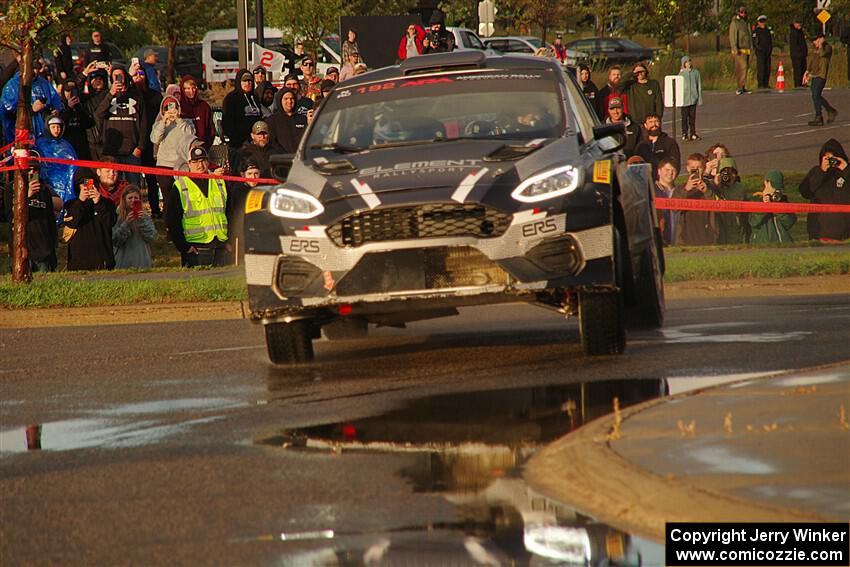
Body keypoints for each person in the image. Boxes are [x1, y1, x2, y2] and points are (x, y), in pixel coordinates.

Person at [165, 145, 230, 267]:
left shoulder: (220, 182)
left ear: (208, 162)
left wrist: (230, 240)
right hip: (196, 247)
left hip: (220, 244)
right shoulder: (181, 186)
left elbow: (230, 212)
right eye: (195, 162)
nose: (200, 165)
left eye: (203, 160)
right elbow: (172, 220)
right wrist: (183, 247)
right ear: (189, 164)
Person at [3, 151, 62, 272]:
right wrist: (26, 196)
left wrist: (52, 248)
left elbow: (49, 218)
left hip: (43, 250)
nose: (31, 173)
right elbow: (11, 216)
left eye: (35, 170)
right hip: (22, 248)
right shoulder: (11, 188)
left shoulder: (44, 189)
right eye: (28, 169)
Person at [96, 66, 148, 186]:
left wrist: (140, 147)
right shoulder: (106, 95)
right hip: (111, 152)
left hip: (132, 152)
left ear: (125, 76)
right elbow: (98, 115)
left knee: (133, 186)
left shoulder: (136, 97)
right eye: (115, 75)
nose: (118, 78)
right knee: (111, 186)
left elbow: (144, 124)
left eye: (120, 75)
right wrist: (111, 94)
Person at [1, 58, 64, 145]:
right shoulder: (13, 86)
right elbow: (7, 113)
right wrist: (31, 110)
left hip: (44, 136)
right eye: (32, 68)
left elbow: (55, 101)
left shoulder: (44, 83)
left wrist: (54, 111)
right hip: (22, 137)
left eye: (37, 68)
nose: (35, 71)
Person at [150, 94, 197, 210]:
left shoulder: (186, 122)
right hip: (164, 165)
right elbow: (155, 139)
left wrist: (179, 120)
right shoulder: (158, 124)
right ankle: (168, 225)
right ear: (163, 110)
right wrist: (163, 122)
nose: (170, 110)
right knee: (168, 198)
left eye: (173, 107)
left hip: (182, 165)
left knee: (183, 196)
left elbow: (190, 135)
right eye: (167, 107)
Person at [799, 138, 849, 242]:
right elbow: (805, 192)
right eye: (827, 158)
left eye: (834, 158)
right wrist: (821, 172)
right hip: (818, 233)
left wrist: (846, 169)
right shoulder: (816, 172)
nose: (831, 161)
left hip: (843, 234)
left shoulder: (847, 173)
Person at [64, 172, 117, 271]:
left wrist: (98, 203)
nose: (87, 187)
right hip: (78, 263)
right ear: (77, 187)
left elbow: (111, 222)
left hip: (103, 260)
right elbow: (71, 223)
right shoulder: (71, 204)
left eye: (89, 184)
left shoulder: (107, 203)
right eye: (83, 184)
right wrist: (80, 202)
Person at [130, 62, 163, 216]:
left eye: (141, 75)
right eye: (136, 75)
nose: (139, 78)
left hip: (151, 143)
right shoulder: (130, 95)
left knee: (152, 180)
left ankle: (155, 210)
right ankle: (134, 211)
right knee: (133, 182)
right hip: (133, 144)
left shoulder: (155, 96)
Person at [221, 68, 262, 172]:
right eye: (244, 81)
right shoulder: (231, 99)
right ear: (239, 82)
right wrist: (238, 141)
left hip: (255, 145)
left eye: (250, 81)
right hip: (237, 147)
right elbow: (227, 123)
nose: (248, 83)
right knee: (238, 173)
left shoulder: (255, 97)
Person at [673, 153, 717, 246]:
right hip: (686, 235)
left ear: (704, 168)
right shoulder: (680, 188)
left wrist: (706, 191)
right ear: (688, 168)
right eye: (693, 168)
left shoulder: (711, 187)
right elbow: (674, 208)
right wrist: (686, 189)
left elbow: (718, 206)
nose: (696, 170)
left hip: (706, 234)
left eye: (699, 167)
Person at [34, 116, 78, 204]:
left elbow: (73, 166)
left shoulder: (66, 145)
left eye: (58, 127)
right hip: (47, 182)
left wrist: (69, 186)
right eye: (53, 127)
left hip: (64, 184)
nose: (56, 129)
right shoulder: (40, 144)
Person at [112, 185, 157, 269]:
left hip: (142, 262)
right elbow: (115, 240)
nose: (133, 200)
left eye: (136, 198)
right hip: (122, 264)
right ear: (124, 200)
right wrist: (126, 224)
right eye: (130, 198)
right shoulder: (116, 216)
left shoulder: (145, 217)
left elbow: (152, 237)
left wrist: (141, 222)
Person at [749, 170, 796, 244]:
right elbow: (753, 222)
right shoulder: (756, 199)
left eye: (778, 188)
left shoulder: (782, 200)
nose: (775, 190)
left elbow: (789, 222)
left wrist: (777, 207)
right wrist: (764, 205)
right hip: (761, 243)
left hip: (782, 242)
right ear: (766, 183)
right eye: (773, 186)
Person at [712, 157, 749, 244]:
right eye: (725, 173)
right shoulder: (715, 188)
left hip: (737, 229)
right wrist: (716, 186)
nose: (729, 176)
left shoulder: (740, 188)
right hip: (721, 230)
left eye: (732, 172)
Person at [803, 33, 837, 127]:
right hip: (814, 74)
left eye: (816, 40)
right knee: (815, 96)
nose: (814, 42)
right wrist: (807, 71)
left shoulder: (827, 48)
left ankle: (827, 112)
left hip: (821, 75)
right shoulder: (815, 49)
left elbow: (823, 54)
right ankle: (821, 115)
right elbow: (812, 60)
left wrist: (821, 44)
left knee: (816, 95)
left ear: (821, 39)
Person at [59, 79, 93, 161]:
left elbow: (90, 123)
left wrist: (78, 108)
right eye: (68, 91)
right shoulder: (59, 105)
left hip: (82, 147)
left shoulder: (83, 104)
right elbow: (60, 126)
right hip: (66, 147)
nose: (70, 94)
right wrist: (69, 108)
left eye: (73, 91)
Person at [178, 75, 214, 150]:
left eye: (193, 88)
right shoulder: (178, 107)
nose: (191, 91)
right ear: (182, 89)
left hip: (202, 148)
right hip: (183, 150)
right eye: (187, 89)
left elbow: (210, 129)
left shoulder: (204, 106)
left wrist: (206, 146)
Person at [268, 88, 308, 154]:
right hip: (282, 160)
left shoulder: (303, 119)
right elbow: (272, 142)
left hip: (300, 158)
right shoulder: (272, 120)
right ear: (280, 100)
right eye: (286, 99)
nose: (289, 101)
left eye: (292, 98)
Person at [82, 66, 109, 162]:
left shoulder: (108, 95)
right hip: (90, 141)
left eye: (100, 79)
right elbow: (74, 87)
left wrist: (110, 74)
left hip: (106, 140)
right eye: (95, 79)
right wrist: (84, 73)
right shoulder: (85, 98)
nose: (98, 81)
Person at [729, 6, 753, 95]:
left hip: (747, 49)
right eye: (742, 12)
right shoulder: (735, 23)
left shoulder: (746, 23)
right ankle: (739, 87)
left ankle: (742, 86)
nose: (744, 14)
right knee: (742, 67)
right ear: (738, 13)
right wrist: (735, 48)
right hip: (739, 50)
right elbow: (732, 36)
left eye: (745, 12)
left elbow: (749, 36)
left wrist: (751, 47)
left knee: (745, 68)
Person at [655, 158, 678, 245]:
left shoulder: (680, 191)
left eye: (673, 170)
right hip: (660, 239)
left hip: (677, 240)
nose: (670, 173)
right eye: (667, 170)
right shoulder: (652, 191)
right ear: (659, 171)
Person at [679, 55, 703, 141]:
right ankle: (684, 133)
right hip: (684, 100)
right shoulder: (681, 74)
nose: (688, 63)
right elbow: (678, 88)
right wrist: (678, 101)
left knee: (692, 117)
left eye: (689, 61)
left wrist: (699, 98)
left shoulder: (696, 73)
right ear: (683, 64)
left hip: (693, 99)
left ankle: (693, 133)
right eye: (686, 62)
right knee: (684, 118)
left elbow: (699, 85)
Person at [752, 15, 772, 89]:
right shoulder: (757, 31)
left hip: (767, 52)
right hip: (760, 52)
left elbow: (770, 42)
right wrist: (760, 50)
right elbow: (755, 43)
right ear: (758, 22)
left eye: (764, 21)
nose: (763, 23)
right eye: (761, 22)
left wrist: (769, 50)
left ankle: (766, 83)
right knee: (761, 68)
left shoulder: (767, 31)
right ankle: (761, 84)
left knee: (767, 68)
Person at [789, 20, 807, 89]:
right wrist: (799, 52)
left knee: (803, 69)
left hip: (803, 54)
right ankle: (798, 83)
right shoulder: (793, 32)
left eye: (800, 23)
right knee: (798, 70)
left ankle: (803, 82)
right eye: (797, 23)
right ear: (794, 24)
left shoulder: (801, 32)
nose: (799, 25)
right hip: (796, 55)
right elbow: (794, 45)